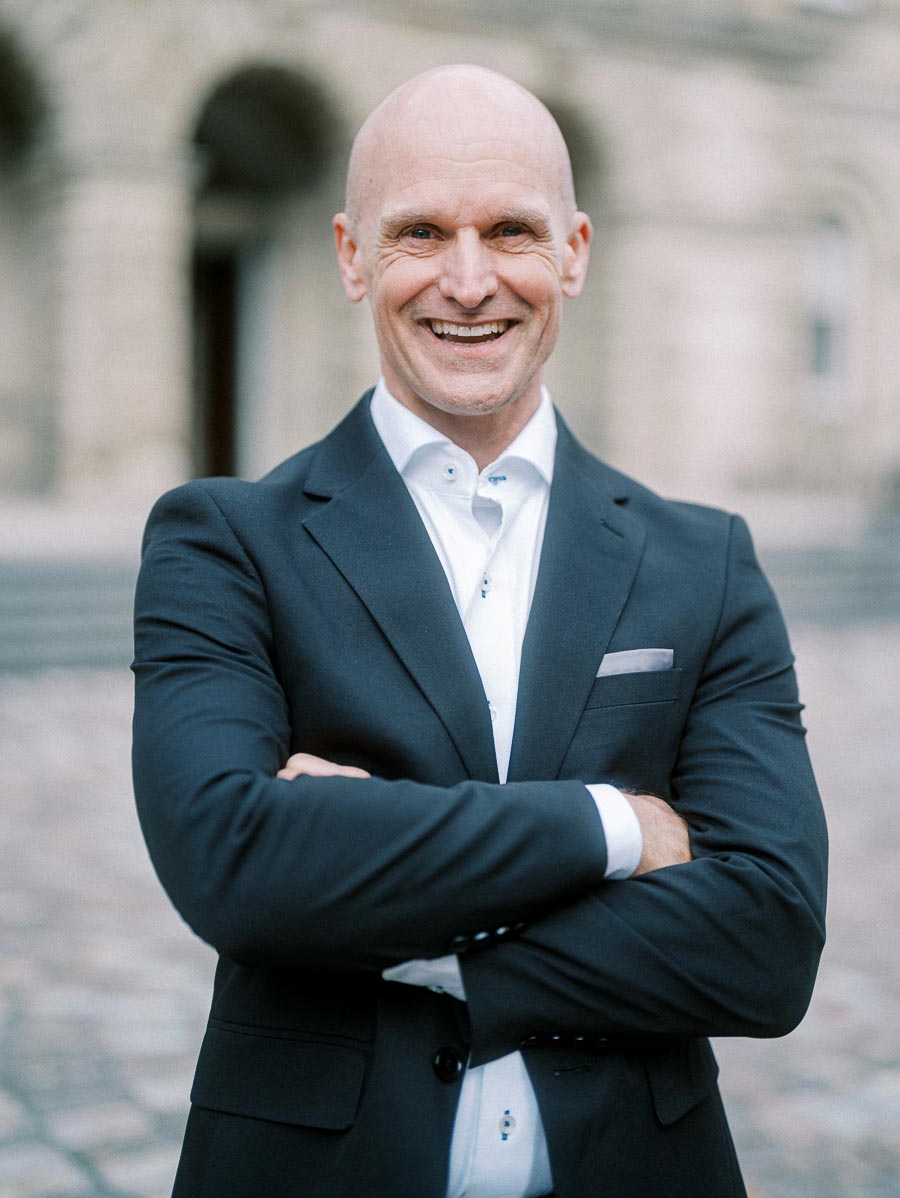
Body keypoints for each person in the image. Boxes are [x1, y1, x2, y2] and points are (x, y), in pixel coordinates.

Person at [132, 65, 828, 1198]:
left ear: (576, 252)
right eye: (420, 233)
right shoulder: (224, 542)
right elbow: (237, 866)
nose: (468, 281)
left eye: (511, 229)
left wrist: (398, 911)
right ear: (354, 256)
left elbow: (769, 943)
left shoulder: (705, 564)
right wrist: (615, 827)